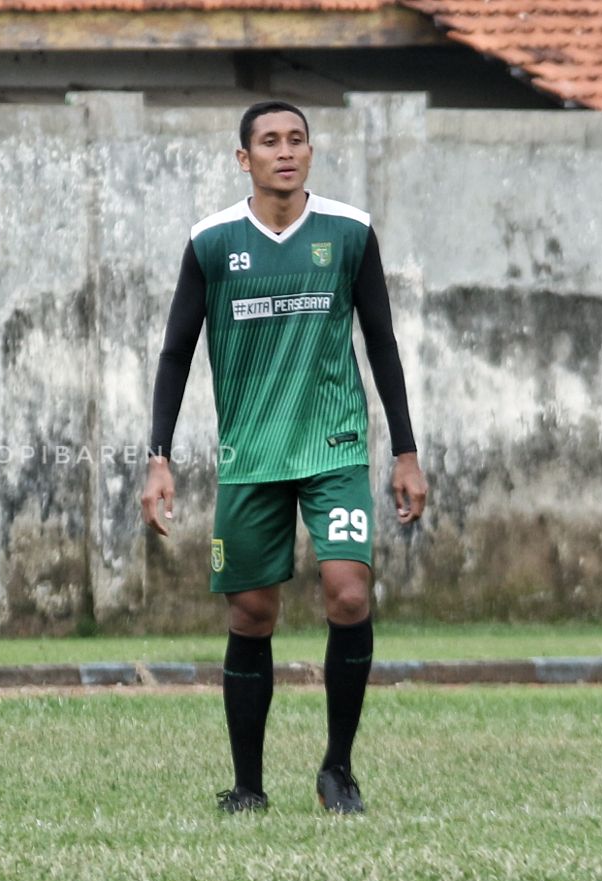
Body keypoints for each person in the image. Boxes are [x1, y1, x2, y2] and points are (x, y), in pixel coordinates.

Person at [140, 100, 428, 815]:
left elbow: (382, 343)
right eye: (269, 141)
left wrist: (405, 450)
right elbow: (176, 351)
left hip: (333, 442)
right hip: (251, 452)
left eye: (296, 138)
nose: (285, 151)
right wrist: (159, 456)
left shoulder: (350, 231)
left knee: (349, 593)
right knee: (251, 614)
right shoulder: (211, 241)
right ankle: (248, 784)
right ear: (245, 158)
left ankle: (338, 769)